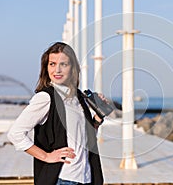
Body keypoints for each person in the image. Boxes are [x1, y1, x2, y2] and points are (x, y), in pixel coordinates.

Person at [7, 42, 104, 185]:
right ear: (46, 68)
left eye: (63, 64)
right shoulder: (46, 98)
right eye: (52, 64)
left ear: (73, 69)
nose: (57, 70)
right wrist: (46, 156)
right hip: (63, 179)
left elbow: (84, 139)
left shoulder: (79, 98)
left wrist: (97, 119)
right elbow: (15, 134)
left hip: (86, 177)